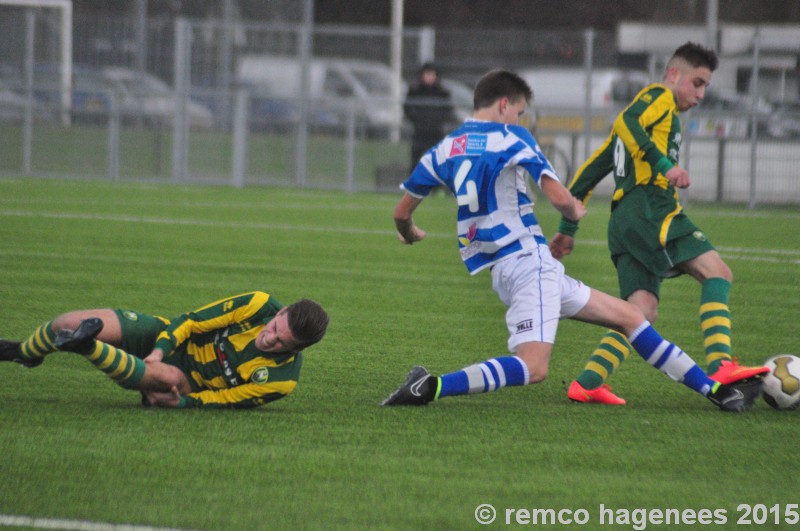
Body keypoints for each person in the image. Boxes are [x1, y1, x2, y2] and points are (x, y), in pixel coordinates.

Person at [381, 68, 762, 412]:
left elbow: (401, 214)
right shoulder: (513, 136)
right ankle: (430, 386)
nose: (519, 118)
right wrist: (573, 213)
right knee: (533, 367)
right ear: (503, 105)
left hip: (509, 269)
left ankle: (716, 391)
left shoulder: (445, 148)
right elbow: (558, 194)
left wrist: (410, 233)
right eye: (519, 111)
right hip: (529, 263)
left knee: (631, 317)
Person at [549, 42, 768, 406]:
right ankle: (722, 365)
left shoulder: (646, 125)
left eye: (705, 87)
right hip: (650, 206)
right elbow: (626, 120)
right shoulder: (659, 97)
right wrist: (666, 167)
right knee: (718, 272)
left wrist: (568, 229)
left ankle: (587, 382)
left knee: (639, 313)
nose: (699, 94)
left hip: (623, 222)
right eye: (696, 83)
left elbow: (590, 170)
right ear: (673, 74)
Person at [0, 291, 329, 409]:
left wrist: (184, 401)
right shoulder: (257, 304)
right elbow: (190, 321)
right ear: (281, 312)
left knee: (162, 377)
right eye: (274, 328)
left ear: (299, 349)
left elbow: (226, 400)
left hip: (186, 379)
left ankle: (87, 345)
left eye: (282, 343)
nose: (271, 339)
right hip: (166, 338)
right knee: (67, 322)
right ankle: (25, 354)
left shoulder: (281, 380)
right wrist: (159, 348)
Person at [404, 62, 456, 170]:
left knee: (438, 160)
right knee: (416, 160)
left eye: (432, 74)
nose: (429, 77)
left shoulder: (442, 93)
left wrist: (438, 121)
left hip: (436, 132)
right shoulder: (415, 91)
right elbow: (407, 108)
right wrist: (417, 120)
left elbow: (448, 111)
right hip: (419, 132)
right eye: (427, 74)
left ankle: (437, 185)